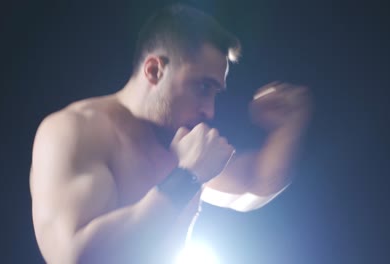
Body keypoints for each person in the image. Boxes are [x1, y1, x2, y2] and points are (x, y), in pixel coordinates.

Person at [30, 4, 311, 264]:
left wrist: (289, 127)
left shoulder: (178, 142)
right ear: (154, 70)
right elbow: (75, 257)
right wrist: (186, 179)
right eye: (202, 87)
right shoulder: (78, 130)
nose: (210, 110)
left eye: (215, 93)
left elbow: (256, 182)